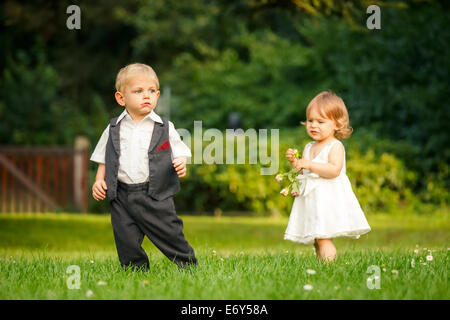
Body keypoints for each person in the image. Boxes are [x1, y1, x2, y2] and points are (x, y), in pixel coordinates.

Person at [90, 63, 197, 271]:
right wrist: (99, 180)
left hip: (155, 193)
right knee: (125, 236)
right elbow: (104, 155)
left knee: (170, 232)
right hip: (122, 195)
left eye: (151, 91)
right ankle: (135, 270)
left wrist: (181, 162)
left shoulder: (163, 126)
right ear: (121, 98)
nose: (146, 96)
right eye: (138, 91)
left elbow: (180, 149)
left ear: (157, 95)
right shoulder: (113, 127)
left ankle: (187, 264)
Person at [284, 91, 371, 262]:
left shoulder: (335, 146)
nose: (313, 125)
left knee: (323, 237)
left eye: (320, 121)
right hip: (313, 199)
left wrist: (308, 164)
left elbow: (334, 170)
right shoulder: (309, 146)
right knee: (317, 238)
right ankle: (322, 266)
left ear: (337, 124)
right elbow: (305, 172)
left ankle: (330, 268)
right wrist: (296, 163)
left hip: (328, 198)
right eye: (310, 121)